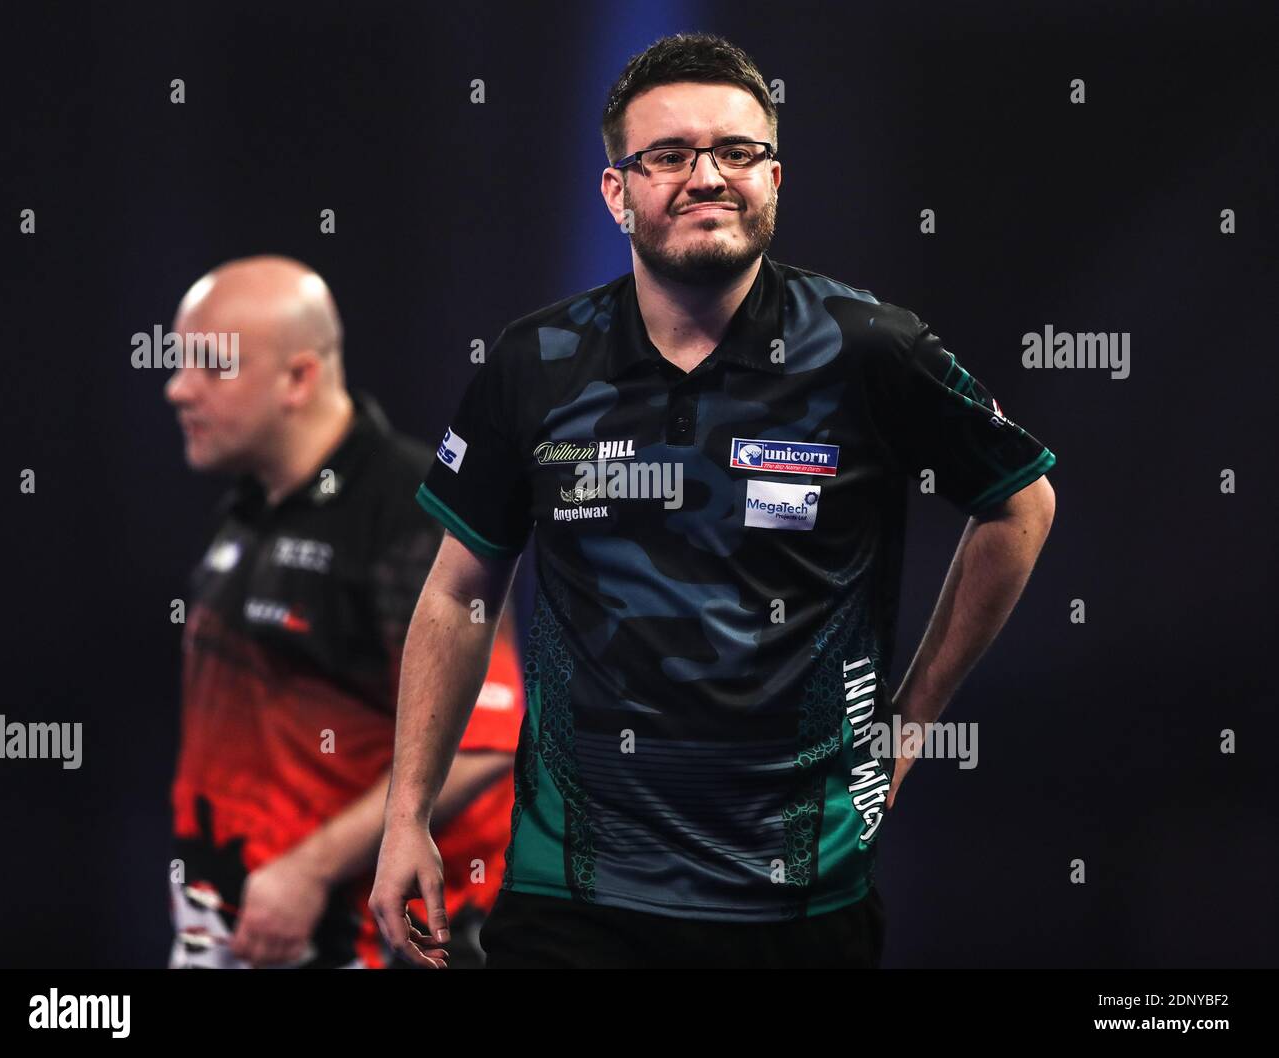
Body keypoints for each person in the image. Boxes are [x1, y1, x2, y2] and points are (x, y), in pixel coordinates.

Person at [369, 33, 1056, 969]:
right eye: (668, 156)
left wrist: (911, 720)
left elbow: (1020, 503)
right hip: (571, 900)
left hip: (801, 899)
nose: (707, 177)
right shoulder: (533, 364)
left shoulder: (871, 350)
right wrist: (406, 815)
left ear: (775, 177)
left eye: (736, 152)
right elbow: (456, 594)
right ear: (616, 192)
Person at [164, 255, 522, 968]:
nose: (177, 390)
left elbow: (488, 738)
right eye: (177, 363)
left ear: (297, 377)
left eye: (208, 366)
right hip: (230, 921)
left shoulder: (408, 516)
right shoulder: (247, 505)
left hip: (362, 937)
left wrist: (310, 869)